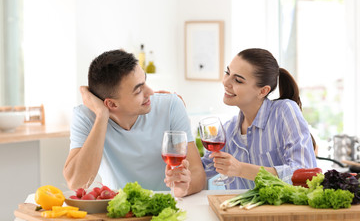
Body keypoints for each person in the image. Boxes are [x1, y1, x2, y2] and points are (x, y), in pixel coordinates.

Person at [63, 49, 205, 197]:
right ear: (111, 104)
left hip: (166, 206)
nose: (150, 92)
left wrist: (183, 188)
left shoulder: (170, 106)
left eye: (145, 81)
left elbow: (197, 173)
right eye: (138, 91)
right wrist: (101, 116)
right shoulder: (86, 116)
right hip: (117, 210)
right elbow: (76, 183)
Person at [201, 48, 317, 189]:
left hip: (286, 211)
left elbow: (304, 174)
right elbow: (201, 171)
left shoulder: (284, 111)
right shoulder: (228, 130)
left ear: (263, 91)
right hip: (241, 211)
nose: (226, 82)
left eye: (238, 80)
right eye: (227, 73)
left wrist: (241, 169)